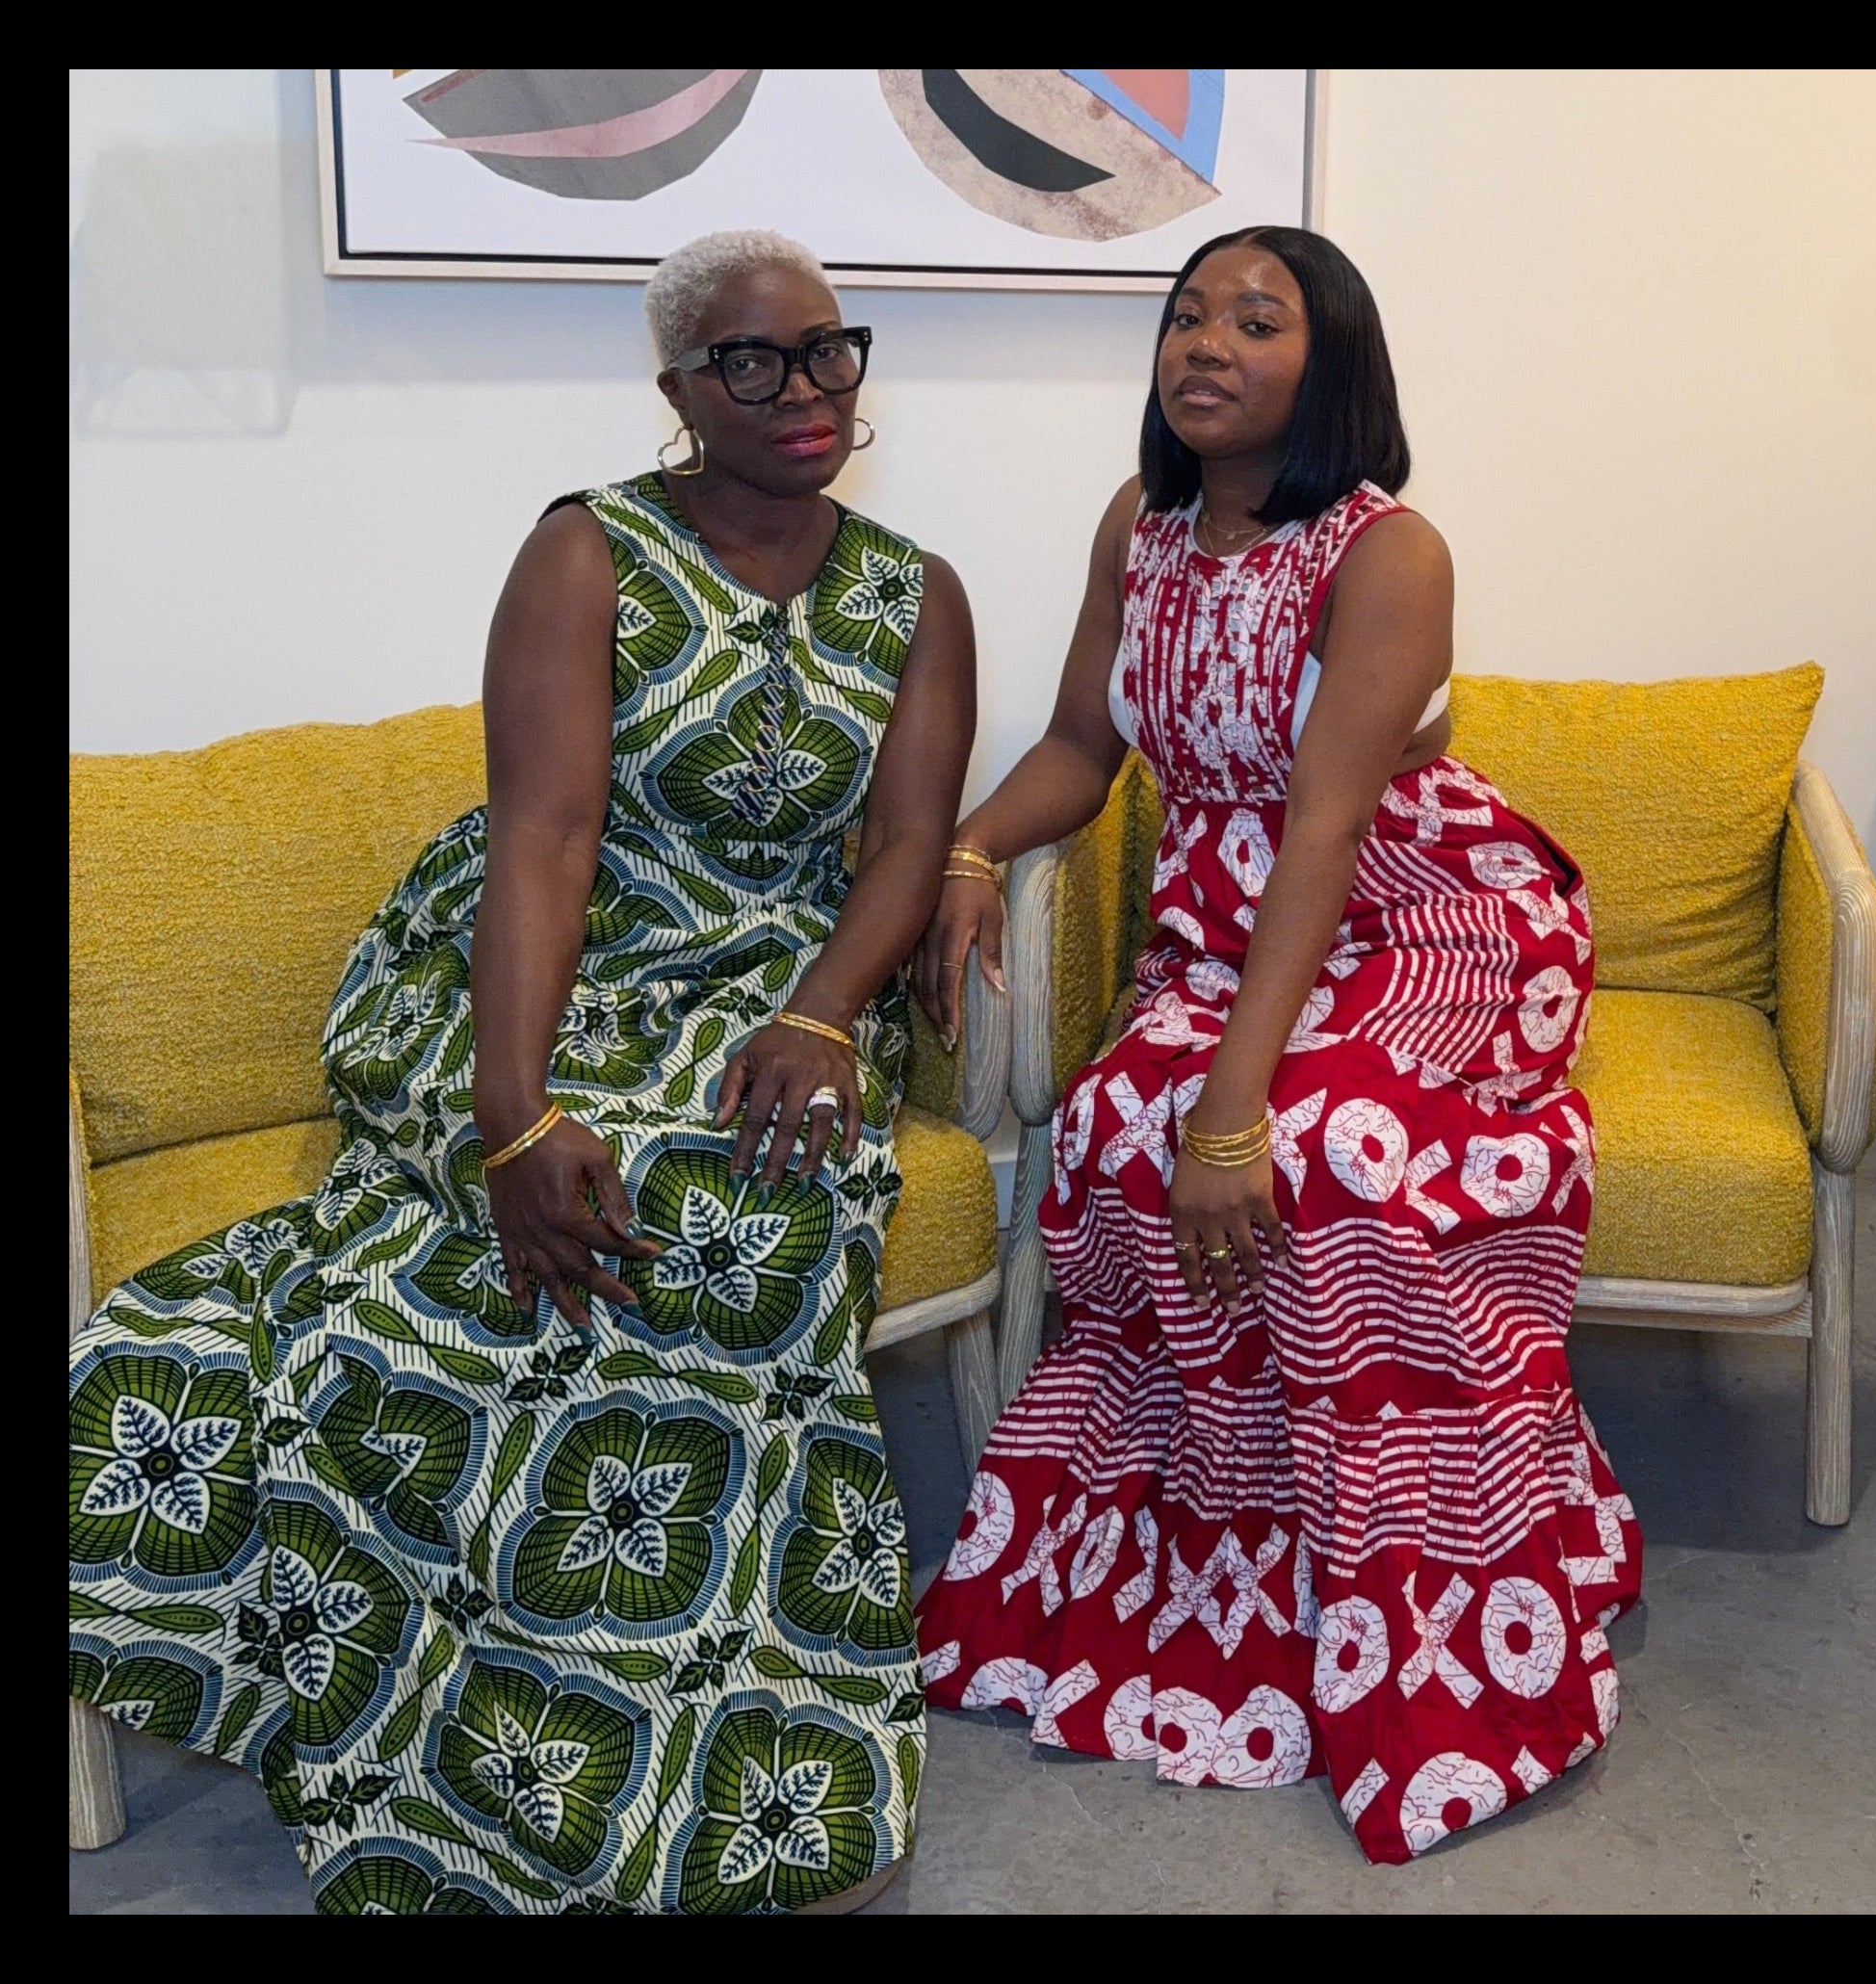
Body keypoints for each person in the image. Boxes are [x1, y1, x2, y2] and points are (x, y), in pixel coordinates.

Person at [67, 229, 975, 1914]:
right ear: (677, 391)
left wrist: (829, 1015)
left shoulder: (917, 588)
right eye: (750, 362)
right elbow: (546, 839)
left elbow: (913, 839)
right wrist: (516, 1111)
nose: (803, 391)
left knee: (746, 1208)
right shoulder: (590, 555)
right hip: (548, 972)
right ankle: (502, 1757)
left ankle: (723, 1745)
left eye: (828, 351)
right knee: (573, 1202)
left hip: (782, 993)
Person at [913, 226, 1640, 1867]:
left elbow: (1324, 823)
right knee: (1110, 1130)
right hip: (1227, 932)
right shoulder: (1143, 526)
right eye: (1186, 316)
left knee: (1315, 1152)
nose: (1207, 344)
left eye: (1258, 319)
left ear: (1336, 365)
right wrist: (968, 850)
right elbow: (1085, 745)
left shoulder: (1390, 552)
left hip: (1424, 920)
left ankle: (1427, 1590)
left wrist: (1236, 1106)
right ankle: (1210, 1568)